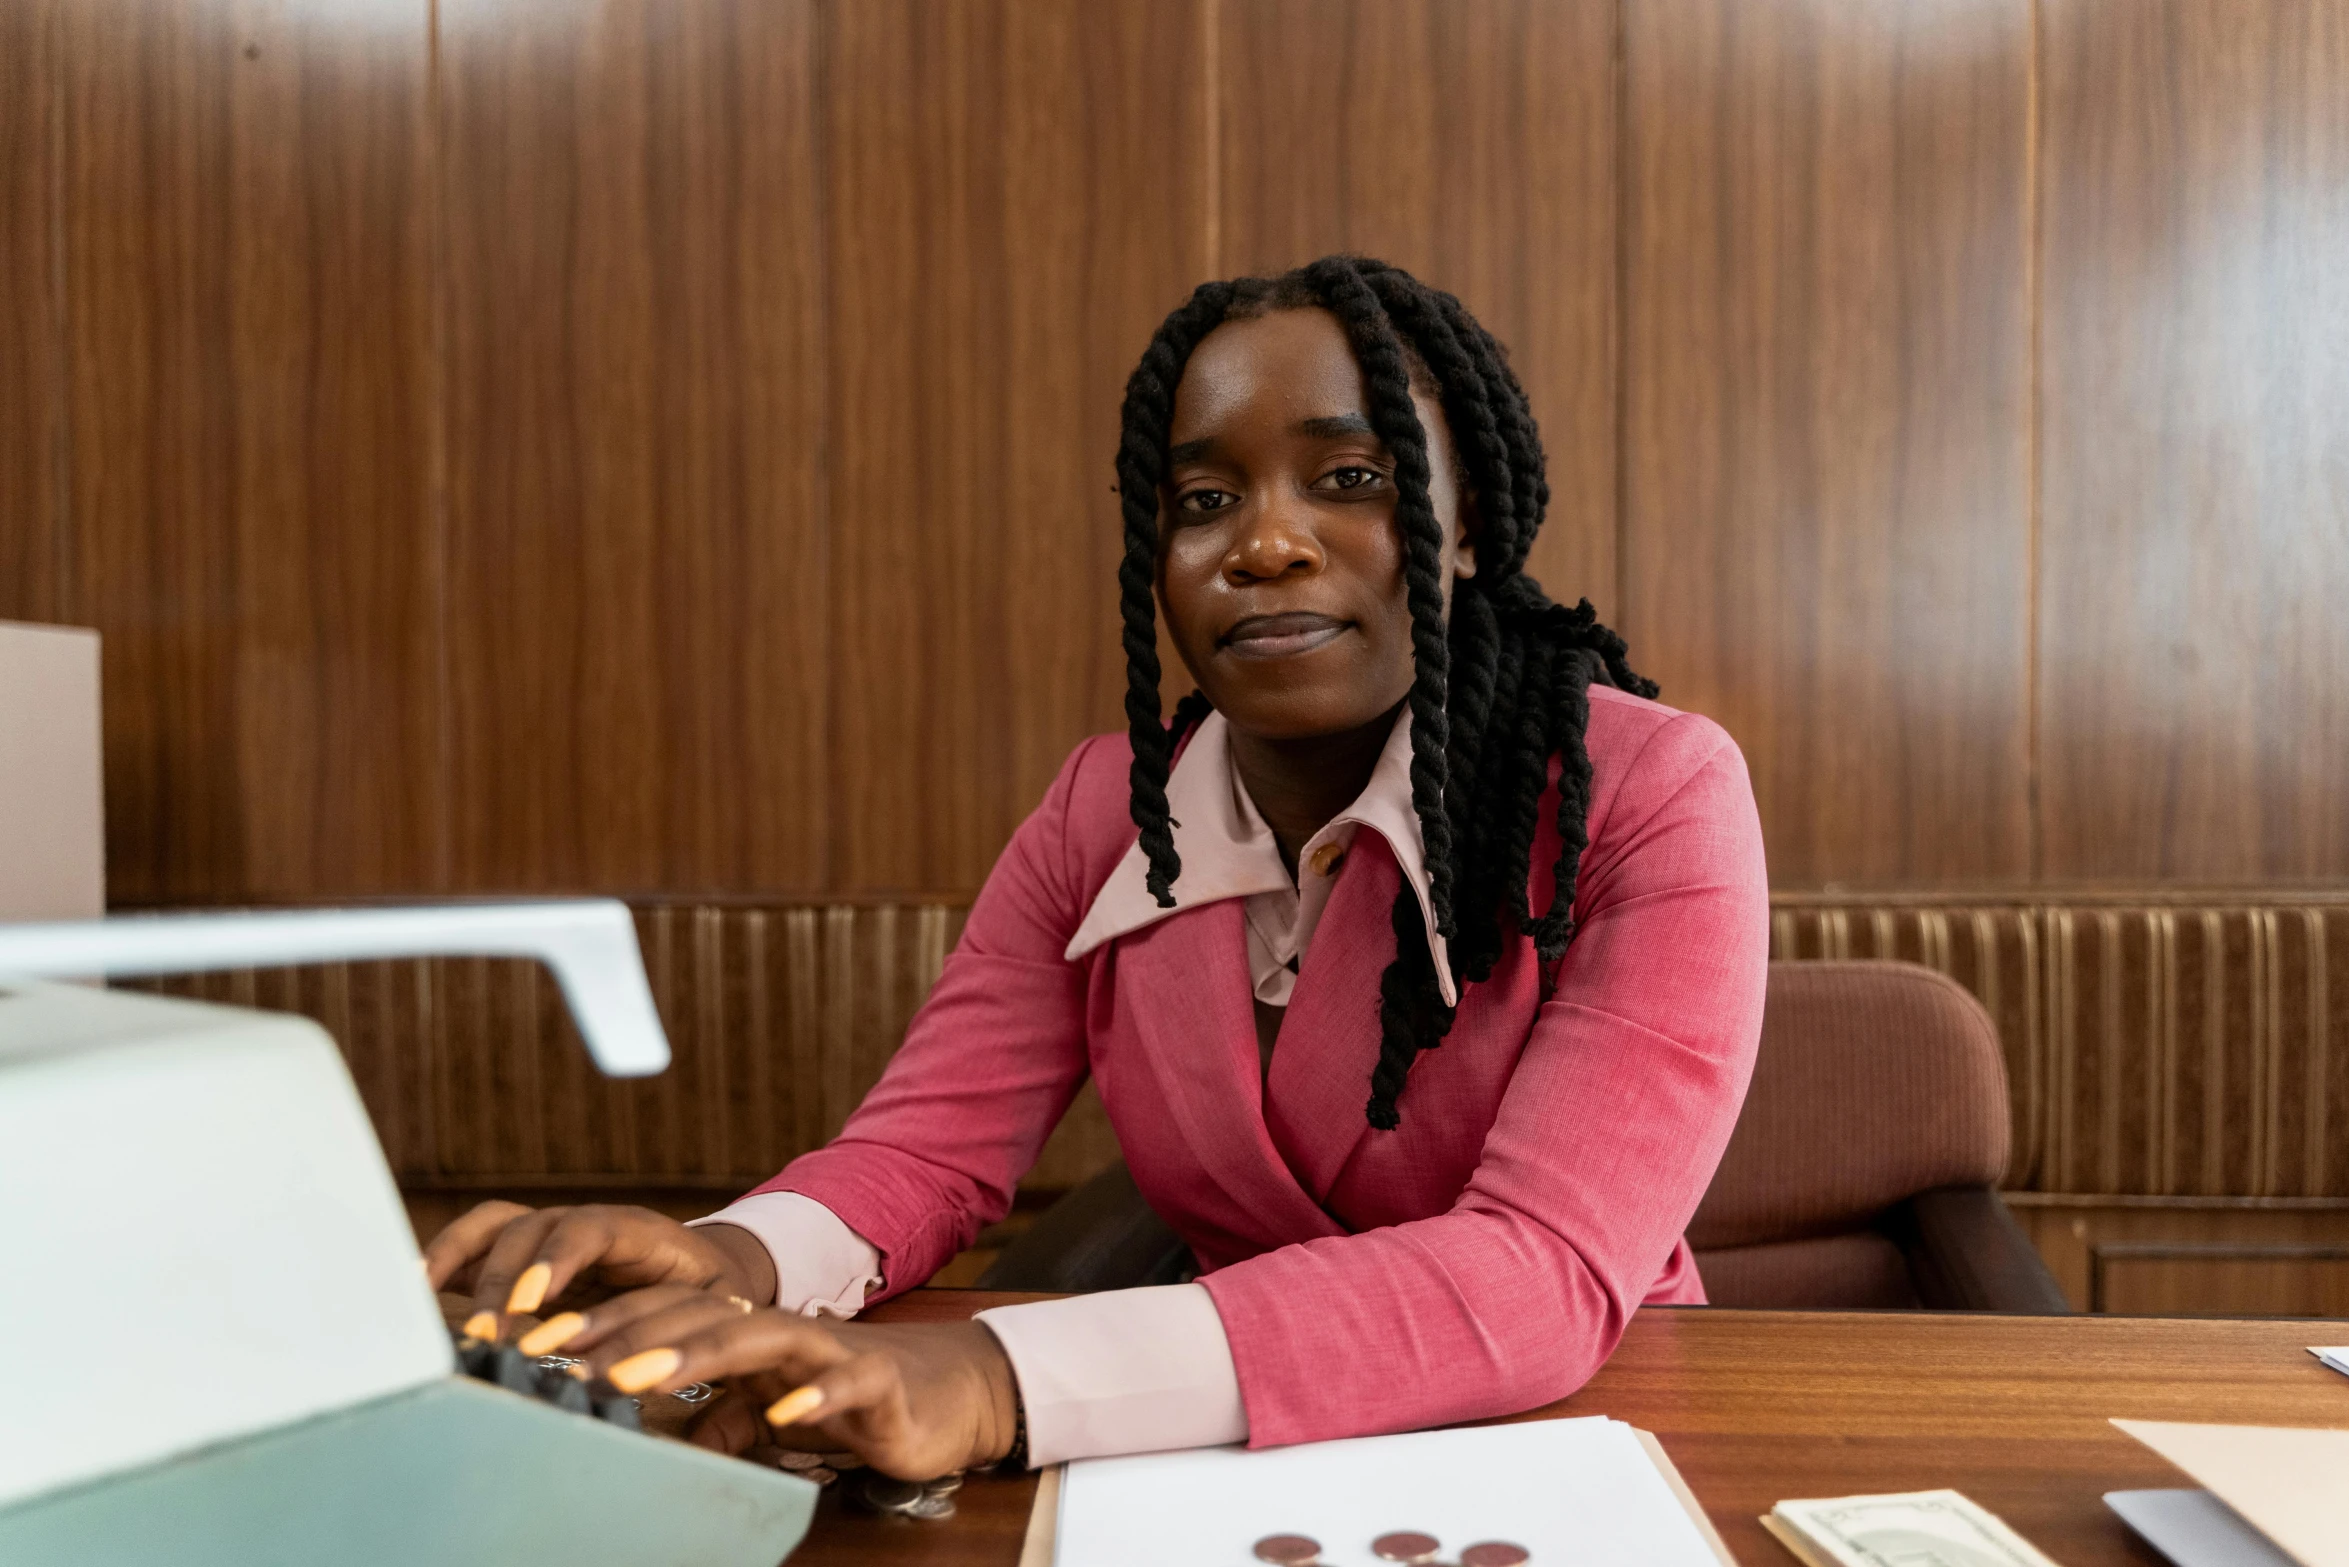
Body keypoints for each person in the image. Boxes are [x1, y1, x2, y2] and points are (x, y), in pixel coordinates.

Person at [426, 256, 1770, 1481]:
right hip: (1206, 1442)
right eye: (1202, 501)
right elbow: (924, 1151)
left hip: (1562, 1439)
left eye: (1350, 479)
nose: (1263, 543)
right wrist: (733, 1257)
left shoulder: (1651, 793)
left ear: (1464, 525)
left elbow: (1536, 1271)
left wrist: (995, 1378)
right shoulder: (1101, 816)